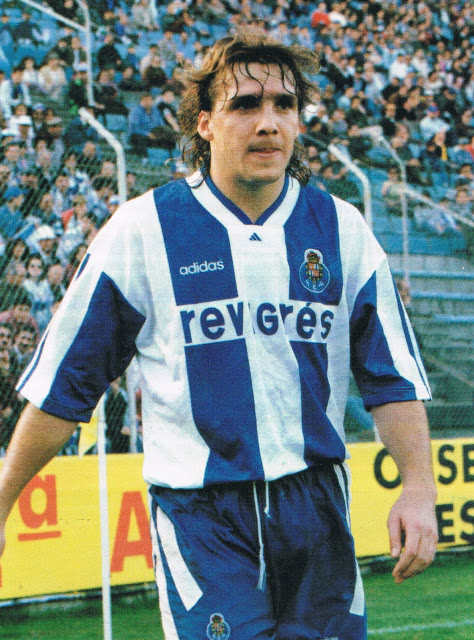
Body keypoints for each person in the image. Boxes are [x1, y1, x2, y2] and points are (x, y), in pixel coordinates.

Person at [0, 33, 438, 640]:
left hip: (316, 510)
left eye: (284, 105)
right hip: (202, 515)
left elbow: (391, 381)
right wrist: (4, 500)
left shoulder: (343, 229)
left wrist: (418, 489)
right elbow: (64, 386)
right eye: (245, 105)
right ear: (204, 123)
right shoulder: (143, 230)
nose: (269, 123)